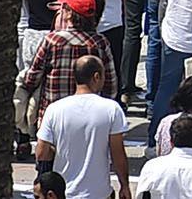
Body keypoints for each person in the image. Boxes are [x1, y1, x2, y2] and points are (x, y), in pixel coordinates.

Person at [37, 55, 130, 199]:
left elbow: (41, 153)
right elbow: (118, 153)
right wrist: (124, 185)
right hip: (99, 193)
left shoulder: (54, 109)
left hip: (64, 192)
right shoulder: (112, 109)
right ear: (96, 77)